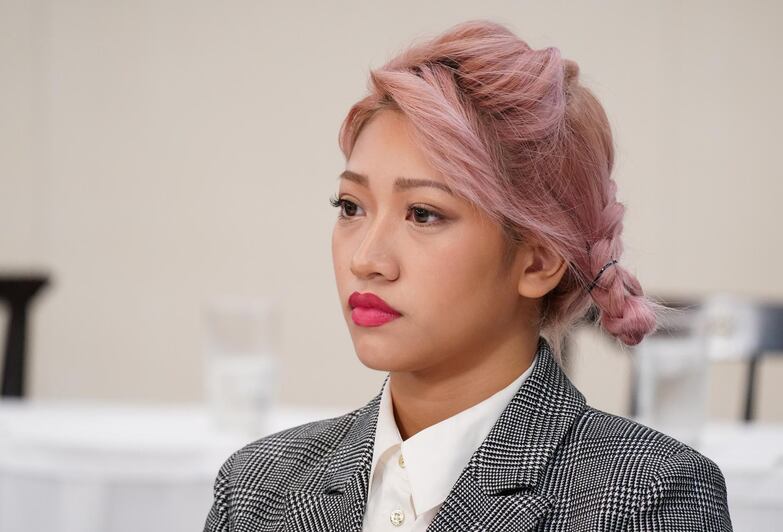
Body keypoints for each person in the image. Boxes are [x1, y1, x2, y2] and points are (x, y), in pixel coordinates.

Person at [204, 19, 732, 532]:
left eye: (423, 214)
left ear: (539, 259)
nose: (365, 258)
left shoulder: (649, 497)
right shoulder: (255, 487)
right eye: (350, 206)